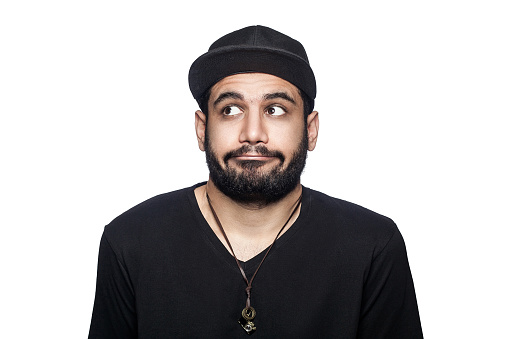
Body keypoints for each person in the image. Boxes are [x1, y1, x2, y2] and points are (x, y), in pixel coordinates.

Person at [88, 25, 423, 338]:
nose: (252, 134)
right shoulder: (131, 241)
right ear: (202, 130)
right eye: (231, 110)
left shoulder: (372, 247)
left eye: (275, 110)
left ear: (310, 130)